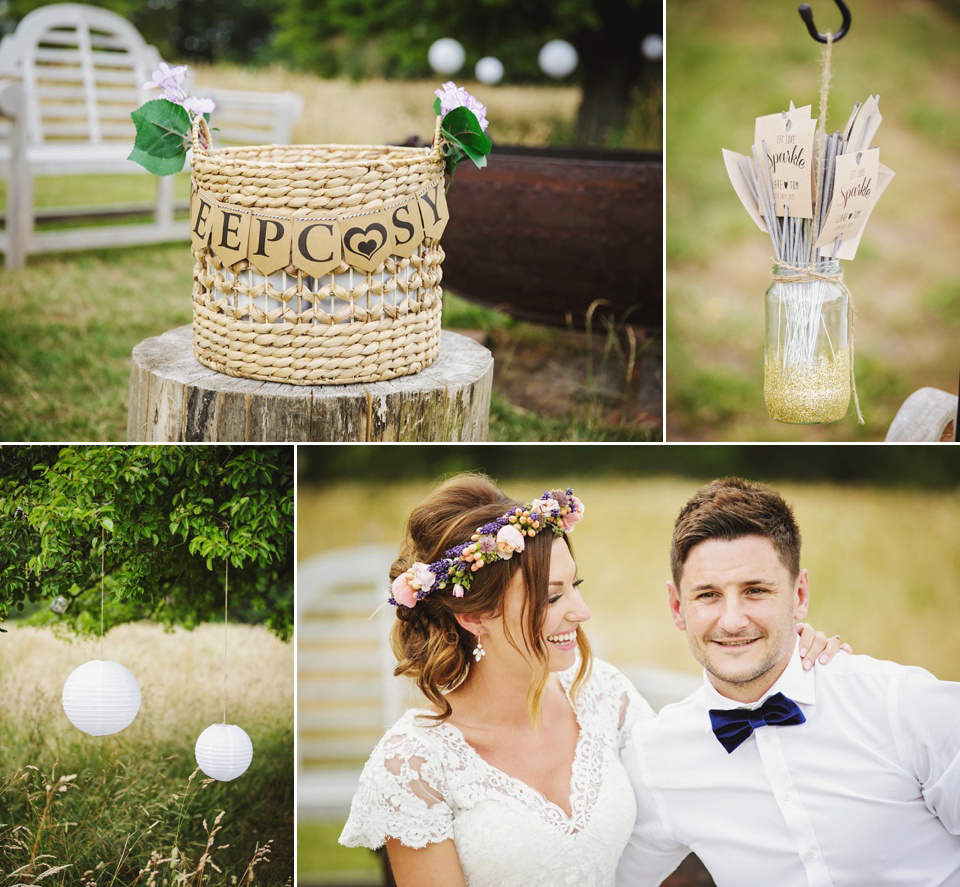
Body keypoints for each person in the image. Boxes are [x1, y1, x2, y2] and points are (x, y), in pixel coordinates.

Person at [339, 474, 845, 887]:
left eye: (574, 586)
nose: (580, 611)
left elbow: (699, 771)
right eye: (552, 596)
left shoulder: (603, 695)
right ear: (475, 616)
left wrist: (792, 663)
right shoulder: (412, 765)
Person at [617, 477, 960, 887]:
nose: (731, 620)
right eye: (707, 595)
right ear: (677, 606)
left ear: (799, 595)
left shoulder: (904, 705)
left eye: (756, 590)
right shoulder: (655, 757)